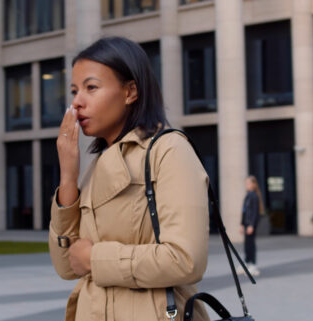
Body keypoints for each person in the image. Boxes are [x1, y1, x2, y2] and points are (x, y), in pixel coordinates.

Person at [48, 37, 210, 321]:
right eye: (74, 91)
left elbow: (186, 260)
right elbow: (67, 265)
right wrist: (68, 175)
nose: (77, 102)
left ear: (130, 92)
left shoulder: (168, 150)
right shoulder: (94, 166)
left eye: (91, 88)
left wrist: (95, 259)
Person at [237, 175, 265, 277]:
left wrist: (251, 225)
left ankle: (253, 265)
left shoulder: (254, 196)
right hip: (247, 224)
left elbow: (254, 213)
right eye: (246, 183)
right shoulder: (248, 196)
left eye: (248, 183)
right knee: (247, 243)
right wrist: (241, 224)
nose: (246, 185)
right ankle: (247, 262)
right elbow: (244, 212)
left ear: (253, 184)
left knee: (251, 243)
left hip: (251, 224)